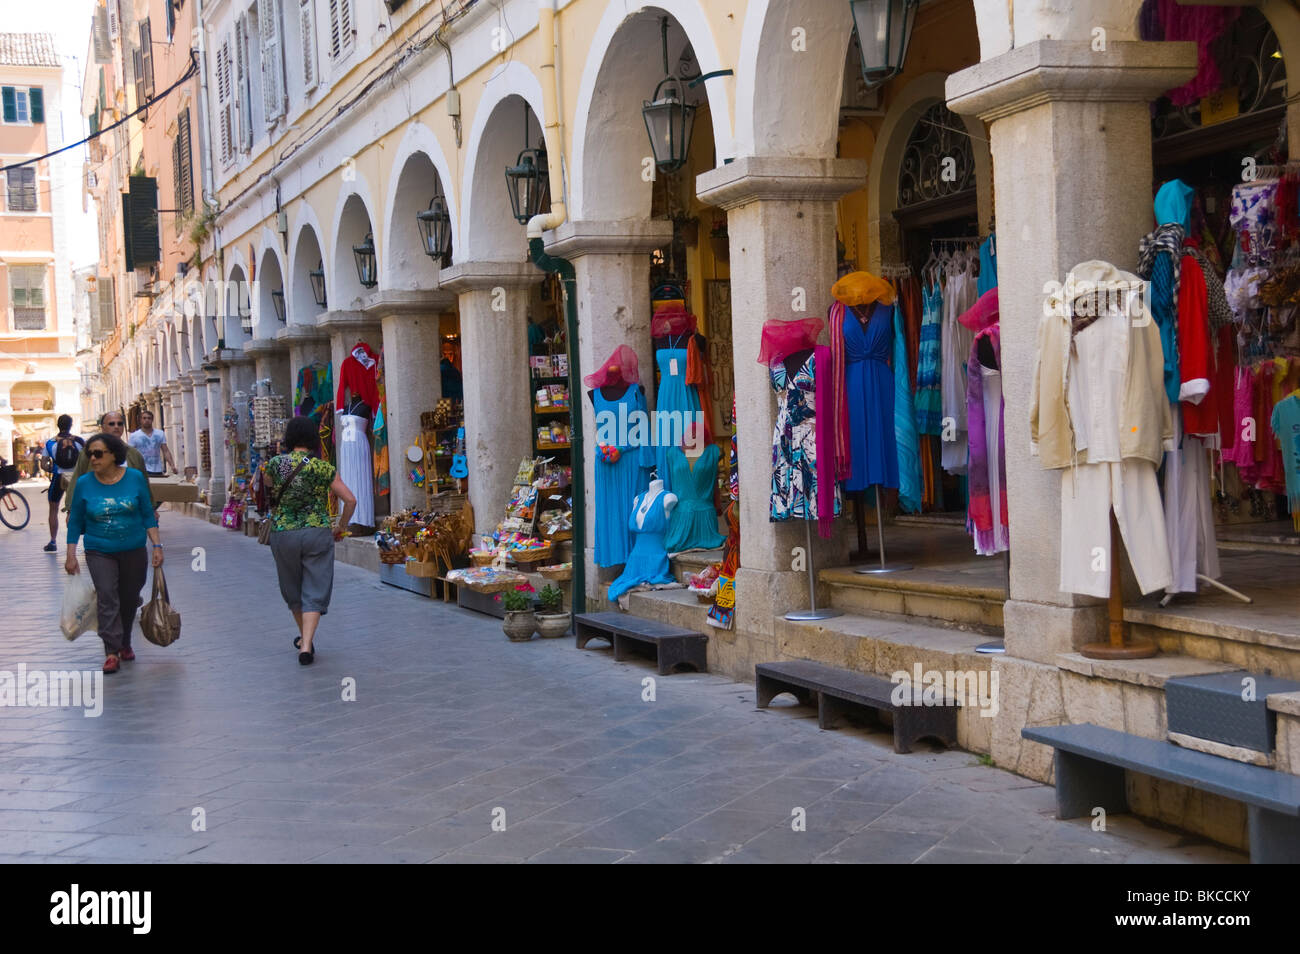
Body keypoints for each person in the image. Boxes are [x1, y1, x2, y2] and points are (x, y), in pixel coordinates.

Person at [64, 432, 162, 674]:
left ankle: (125, 641)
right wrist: (70, 554)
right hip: (99, 550)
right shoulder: (85, 483)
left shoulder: (135, 478)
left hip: (133, 549)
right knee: (108, 597)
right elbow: (75, 520)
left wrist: (157, 545)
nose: (93, 458)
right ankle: (111, 651)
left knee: (129, 599)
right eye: (89, 454)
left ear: (113, 455)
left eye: (98, 453)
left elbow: (147, 513)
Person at [265, 414, 356, 665]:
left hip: (284, 533)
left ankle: (304, 638)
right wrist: (340, 526)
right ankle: (305, 644)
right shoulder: (323, 467)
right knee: (315, 588)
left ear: (289, 438)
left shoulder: (277, 464)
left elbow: (267, 484)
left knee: (293, 589)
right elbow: (350, 500)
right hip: (317, 531)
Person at [64, 410, 149, 515]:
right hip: (98, 511)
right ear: (103, 428)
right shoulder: (89, 453)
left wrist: (151, 509)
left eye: (120, 423)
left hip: (128, 512)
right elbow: (77, 479)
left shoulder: (134, 454)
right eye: (111, 424)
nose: (116, 427)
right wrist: (70, 509)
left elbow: (143, 483)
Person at [43, 415, 85, 553]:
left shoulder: (50, 443)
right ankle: (79, 541)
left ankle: (53, 541)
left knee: (53, 509)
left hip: (58, 476)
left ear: (57, 425)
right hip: (75, 478)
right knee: (77, 509)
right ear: (71, 425)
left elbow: (44, 464)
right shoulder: (79, 442)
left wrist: (51, 467)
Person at [127, 410, 177, 477]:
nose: (147, 420)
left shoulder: (160, 433)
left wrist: (172, 466)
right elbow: (129, 453)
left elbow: (165, 451)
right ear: (140, 420)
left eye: (149, 418)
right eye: (144, 418)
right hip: (141, 470)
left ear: (152, 420)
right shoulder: (134, 436)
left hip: (157, 470)